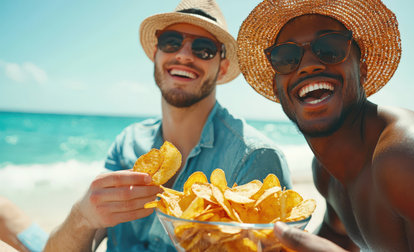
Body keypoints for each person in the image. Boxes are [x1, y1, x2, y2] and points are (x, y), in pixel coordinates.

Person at [44, 0, 292, 251]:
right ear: (156, 53)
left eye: (203, 49)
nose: (183, 55)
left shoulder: (254, 157)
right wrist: (82, 217)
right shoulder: (128, 143)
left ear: (222, 68)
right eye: (171, 42)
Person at [237, 0, 414, 251]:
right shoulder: (327, 173)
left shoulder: (411, 157)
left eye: (329, 48)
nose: (308, 65)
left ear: (362, 71)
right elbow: (337, 238)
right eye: (287, 57)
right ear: (277, 88)